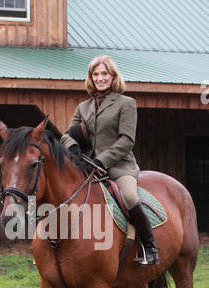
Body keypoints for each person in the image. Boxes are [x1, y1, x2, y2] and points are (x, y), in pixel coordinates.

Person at [60, 55, 159, 265]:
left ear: (113, 76)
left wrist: (101, 161)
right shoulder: (83, 107)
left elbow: (127, 141)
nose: (100, 78)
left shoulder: (126, 104)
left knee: (130, 196)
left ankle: (149, 247)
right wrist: (74, 149)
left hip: (119, 167)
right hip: (87, 168)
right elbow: (66, 135)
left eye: (104, 73)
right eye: (95, 74)